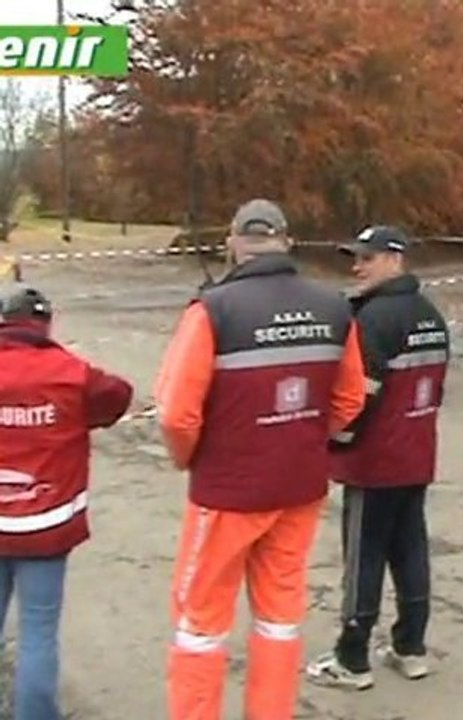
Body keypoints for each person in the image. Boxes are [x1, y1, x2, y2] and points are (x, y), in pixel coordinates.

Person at [154, 199, 367, 720]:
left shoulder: (213, 310)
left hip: (227, 493)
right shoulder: (334, 307)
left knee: (200, 622)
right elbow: (349, 399)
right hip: (299, 487)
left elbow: (176, 413)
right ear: (286, 241)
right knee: (280, 617)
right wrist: (304, 440)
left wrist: (189, 459)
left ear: (232, 243)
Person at [306, 225, 450, 691]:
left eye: (367, 258)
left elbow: (357, 396)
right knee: (410, 551)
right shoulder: (430, 314)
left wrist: (336, 441)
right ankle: (411, 647)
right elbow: (436, 389)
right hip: (416, 454)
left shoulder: (373, 320)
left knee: (362, 558)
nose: (357, 267)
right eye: (356, 257)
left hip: (373, 462)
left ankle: (352, 657)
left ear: (395, 259)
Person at [0, 286, 133, 720]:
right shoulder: (71, 372)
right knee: (38, 631)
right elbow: (118, 396)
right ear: (45, 324)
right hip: (46, 527)